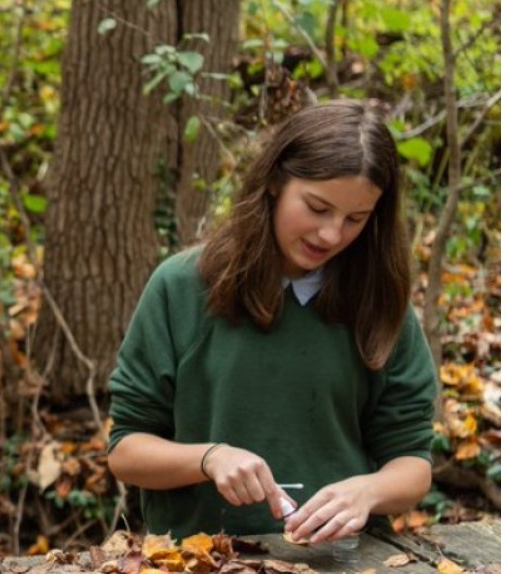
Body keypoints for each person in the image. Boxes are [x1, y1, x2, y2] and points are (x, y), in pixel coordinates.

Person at [106, 100, 437, 543]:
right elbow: (126, 450)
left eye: (355, 219)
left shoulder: (376, 300)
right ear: (275, 182)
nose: (331, 235)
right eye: (317, 208)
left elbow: (412, 462)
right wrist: (209, 458)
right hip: (198, 559)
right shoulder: (182, 287)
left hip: (343, 561)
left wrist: (368, 491)